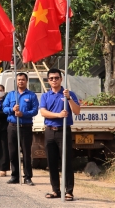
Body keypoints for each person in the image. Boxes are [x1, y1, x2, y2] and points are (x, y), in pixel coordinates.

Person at [40, 69, 80, 201]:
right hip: (50, 131)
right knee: (51, 162)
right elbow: (43, 112)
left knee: (66, 161)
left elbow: (77, 111)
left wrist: (68, 98)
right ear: (48, 80)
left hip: (64, 130)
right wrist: (58, 115)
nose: (54, 80)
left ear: (61, 79)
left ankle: (69, 191)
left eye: (56, 78)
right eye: (51, 78)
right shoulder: (46, 96)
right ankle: (55, 190)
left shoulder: (69, 94)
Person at [3, 73, 39, 185]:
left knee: (26, 153)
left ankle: (27, 177)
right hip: (12, 127)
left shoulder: (31, 95)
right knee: (13, 153)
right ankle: (15, 176)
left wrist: (23, 114)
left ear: (26, 81)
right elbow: (4, 108)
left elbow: (35, 111)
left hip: (25, 127)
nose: (20, 82)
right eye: (19, 80)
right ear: (16, 81)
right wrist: (12, 109)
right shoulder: (10, 95)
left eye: (23, 80)